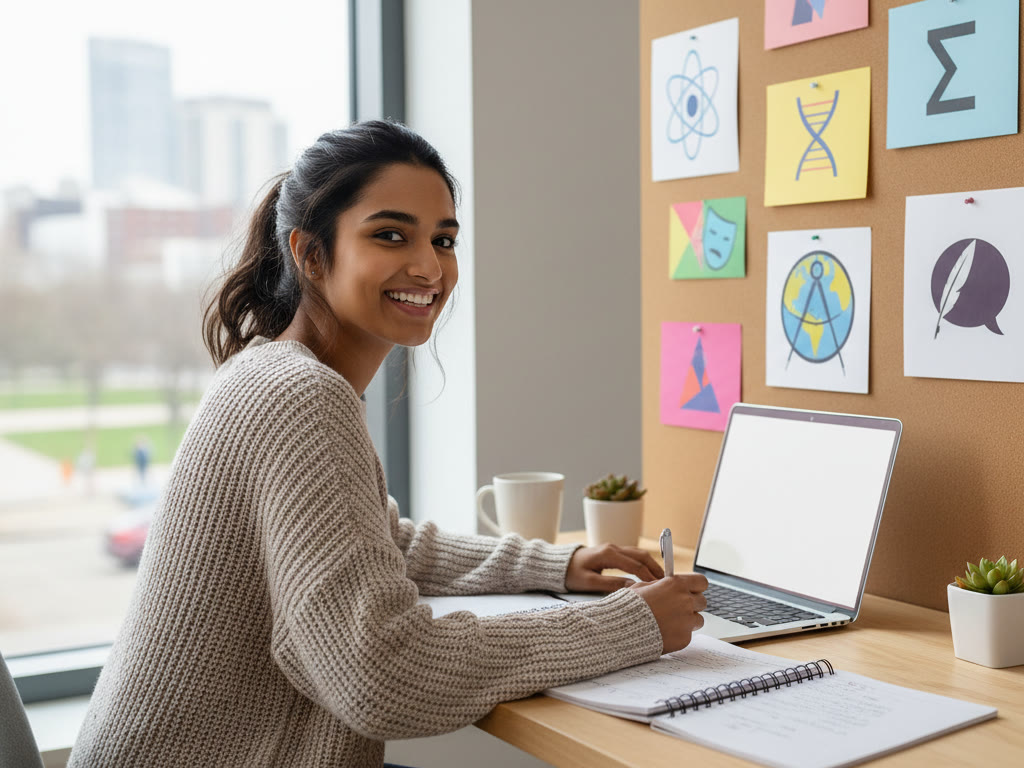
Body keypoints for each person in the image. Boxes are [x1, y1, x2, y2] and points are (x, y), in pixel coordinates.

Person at [69, 120, 707, 768]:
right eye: (391, 235)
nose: (430, 267)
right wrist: (632, 628)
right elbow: (383, 672)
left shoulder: (271, 373)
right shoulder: (299, 400)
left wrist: (556, 567)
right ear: (311, 255)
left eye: (444, 239)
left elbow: (381, 542)